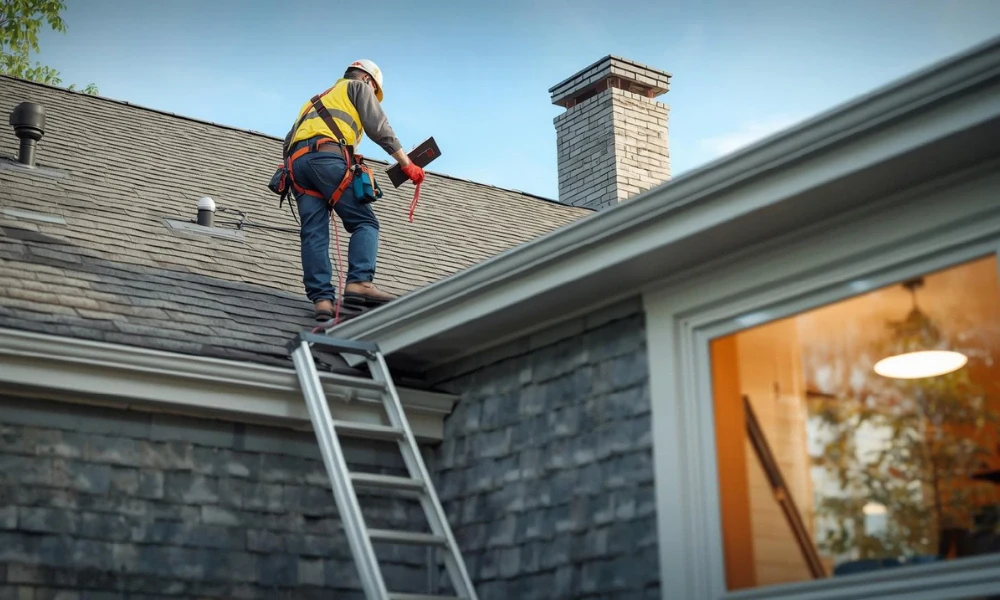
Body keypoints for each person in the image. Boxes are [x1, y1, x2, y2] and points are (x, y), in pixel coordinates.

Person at [284, 59, 425, 321]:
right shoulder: (358, 88)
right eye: (374, 91)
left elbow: (288, 141)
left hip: (296, 168)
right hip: (325, 159)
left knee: (314, 233)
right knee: (365, 223)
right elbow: (379, 127)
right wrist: (407, 165)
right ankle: (359, 282)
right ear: (367, 80)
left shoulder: (314, 101)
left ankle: (323, 302)